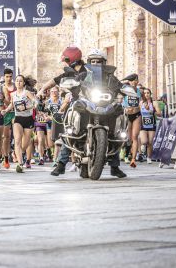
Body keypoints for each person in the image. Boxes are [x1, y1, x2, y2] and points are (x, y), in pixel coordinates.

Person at [38, 47, 126, 178]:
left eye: (99, 61)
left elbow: (117, 84)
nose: (96, 64)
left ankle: (115, 165)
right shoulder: (77, 73)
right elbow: (55, 81)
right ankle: (61, 164)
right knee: (72, 131)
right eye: (93, 61)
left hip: (103, 105)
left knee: (115, 133)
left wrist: (124, 89)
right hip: (81, 104)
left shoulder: (106, 75)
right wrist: (42, 90)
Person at [1, 75, 37, 173]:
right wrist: (6, 110)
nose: (18, 83)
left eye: (20, 81)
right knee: (17, 140)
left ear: (24, 83)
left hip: (28, 119)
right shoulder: (13, 94)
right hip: (18, 119)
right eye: (17, 81)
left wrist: (26, 107)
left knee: (25, 145)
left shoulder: (27, 93)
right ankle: (20, 164)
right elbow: (12, 104)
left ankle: (18, 153)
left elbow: (35, 103)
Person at [122, 73, 142, 168]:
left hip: (137, 115)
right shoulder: (125, 91)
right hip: (127, 115)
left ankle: (133, 160)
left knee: (135, 137)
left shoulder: (139, 91)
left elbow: (142, 101)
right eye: (132, 80)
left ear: (137, 81)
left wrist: (141, 105)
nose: (134, 82)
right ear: (129, 82)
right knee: (128, 139)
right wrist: (124, 108)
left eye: (135, 80)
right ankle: (126, 153)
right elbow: (120, 100)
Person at [139, 88, 161, 164]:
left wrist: (153, 111)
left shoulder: (154, 103)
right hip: (143, 124)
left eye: (148, 93)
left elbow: (159, 113)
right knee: (144, 141)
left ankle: (149, 157)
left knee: (150, 142)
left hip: (151, 125)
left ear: (150, 94)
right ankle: (142, 146)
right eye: (145, 93)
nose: (146, 94)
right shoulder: (141, 103)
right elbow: (138, 114)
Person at [2, 68, 16, 167]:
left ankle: (17, 154)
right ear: (4, 77)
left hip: (16, 113)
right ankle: (6, 158)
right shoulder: (2, 88)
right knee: (6, 137)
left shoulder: (16, 87)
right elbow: (6, 102)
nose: (9, 78)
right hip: (6, 113)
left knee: (17, 136)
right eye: (7, 77)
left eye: (10, 76)